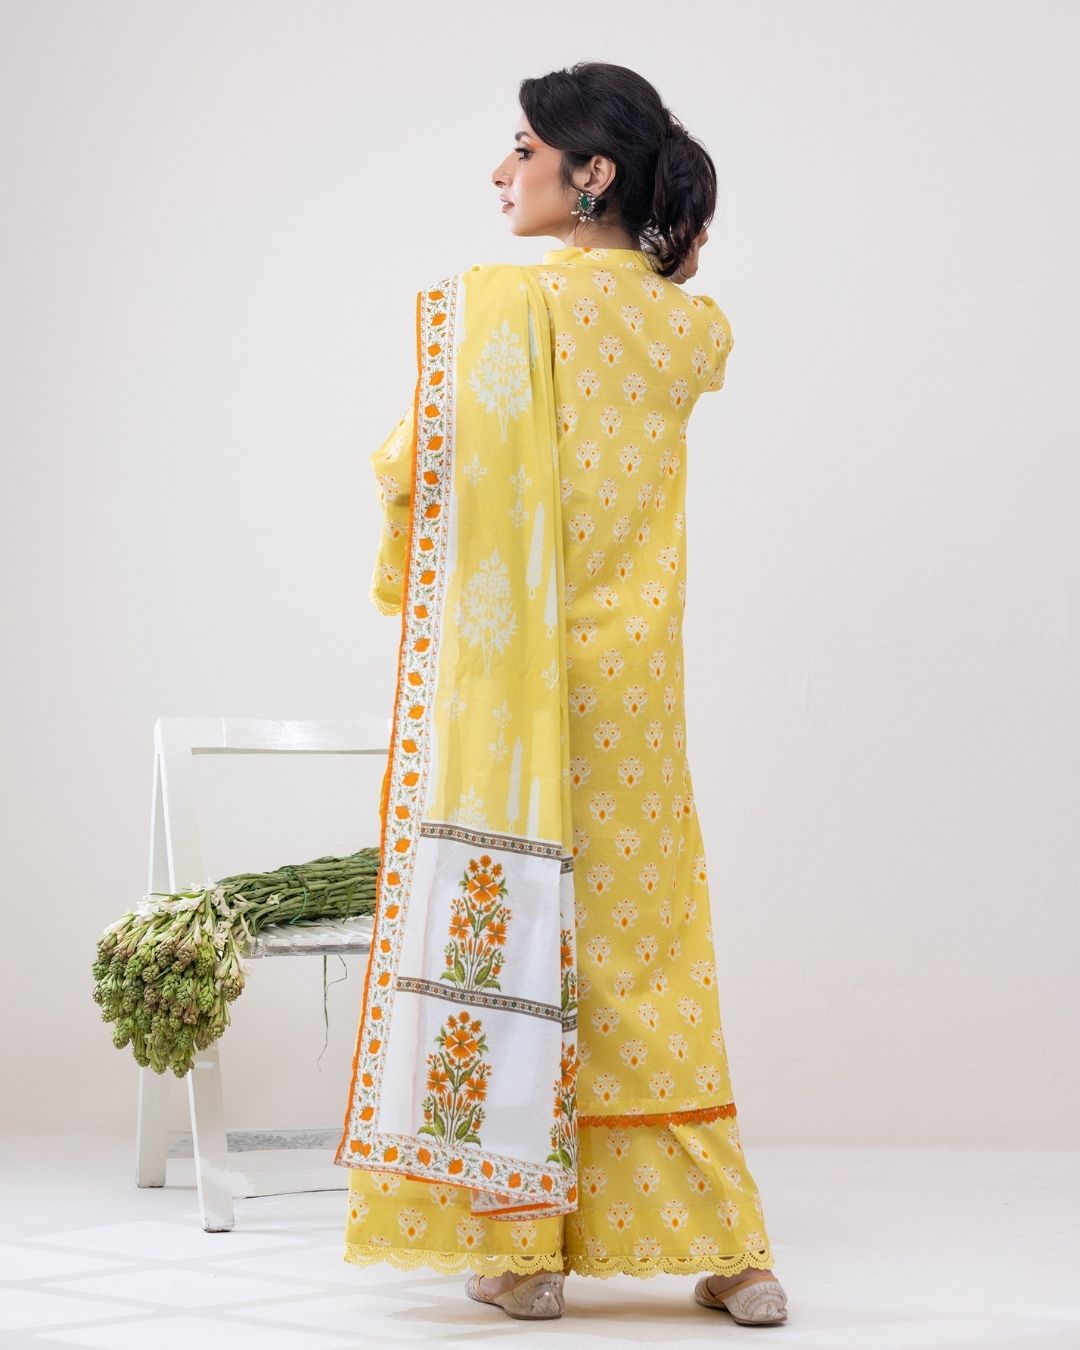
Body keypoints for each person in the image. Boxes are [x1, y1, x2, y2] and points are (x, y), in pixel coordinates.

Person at [341, 61, 788, 1328]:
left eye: (525, 149)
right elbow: (679, 319)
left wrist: (403, 538)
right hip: (636, 693)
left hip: (519, 688)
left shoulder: (510, 314)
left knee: (522, 939)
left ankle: (526, 1253)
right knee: (647, 949)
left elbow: (409, 463)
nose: (502, 171)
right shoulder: (689, 328)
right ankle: (734, 1253)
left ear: (591, 172)